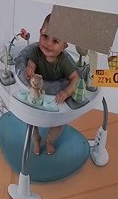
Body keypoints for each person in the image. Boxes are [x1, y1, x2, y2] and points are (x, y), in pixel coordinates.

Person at [25, 13, 80, 156]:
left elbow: (76, 78)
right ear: (40, 33)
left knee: (59, 123)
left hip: (55, 100)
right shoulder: (36, 52)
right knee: (29, 119)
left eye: (55, 41)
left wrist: (66, 92)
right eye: (45, 36)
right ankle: (36, 139)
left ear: (64, 46)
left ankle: (49, 140)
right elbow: (31, 63)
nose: (48, 43)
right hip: (37, 95)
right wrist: (29, 69)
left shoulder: (63, 61)